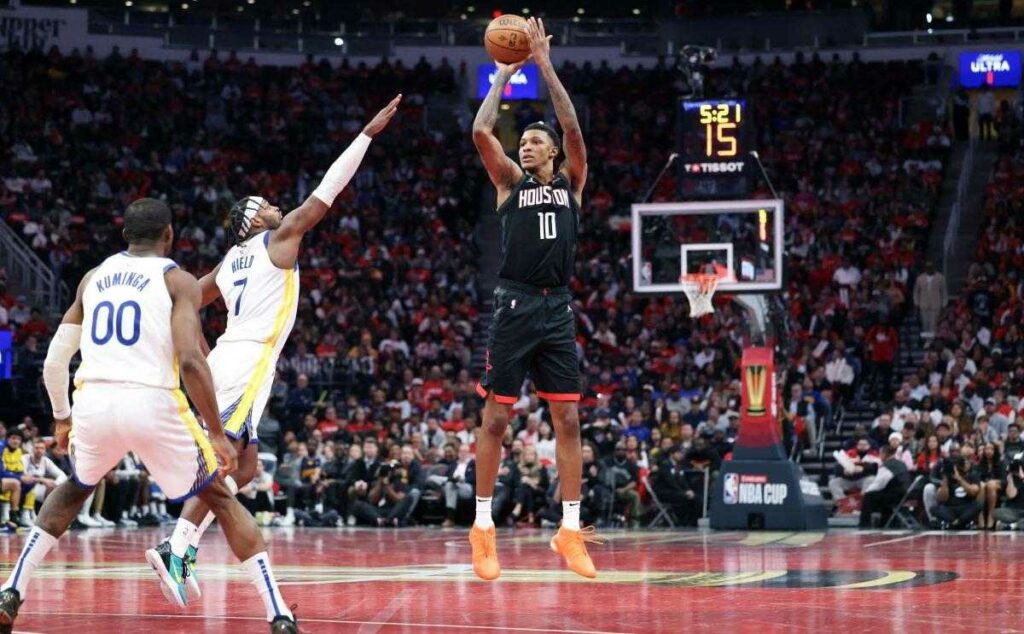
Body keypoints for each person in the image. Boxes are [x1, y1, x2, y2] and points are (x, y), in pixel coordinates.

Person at [0, 199, 297, 632]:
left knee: (72, 490)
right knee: (221, 499)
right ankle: (278, 614)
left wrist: (62, 419)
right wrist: (215, 432)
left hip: (94, 402)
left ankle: (10, 591)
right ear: (169, 235)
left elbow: (53, 362)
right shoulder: (176, 280)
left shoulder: (92, 278)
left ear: (125, 235)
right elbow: (193, 362)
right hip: (152, 403)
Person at [151, 95, 400, 594]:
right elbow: (326, 193)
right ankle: (176, 545)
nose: (273, 204)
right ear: (250, 221)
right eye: (263, 204)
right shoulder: (277, 238)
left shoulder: (228, 261)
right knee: (227, 459)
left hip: (232, 355)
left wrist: (196, 346)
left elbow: (185, 298)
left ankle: (185, 542)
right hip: (247, 360)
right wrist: (366, 135)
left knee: (246, 466)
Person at [469, 17, 597, 581]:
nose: (527, 145)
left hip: (557, 309)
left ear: (553, 152)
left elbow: (571, 126)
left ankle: (569, 531)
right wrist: (501, 76)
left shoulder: (571, 180)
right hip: (515, 305)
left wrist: (543, 65)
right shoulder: (508, 185)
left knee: (567, 419)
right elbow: (480, 132)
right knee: (496, 420)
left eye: (535, 140)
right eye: (523, 140)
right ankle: (482, 528)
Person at [858, 445, 911, 528]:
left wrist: (866, 492)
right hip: (904, 494)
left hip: (895, 496)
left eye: (880, 454)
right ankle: (884, 523)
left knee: (868, 496)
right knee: (881, 496)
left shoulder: (887, 466)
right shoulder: (901, 464)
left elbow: (878, 484)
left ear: (884, 454)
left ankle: (864, 524)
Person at [651, 445, 699, 527]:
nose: (681, 455)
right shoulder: (665, 465)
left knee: (696, 498)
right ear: (672, 454)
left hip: (675, 491)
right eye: (678, 453)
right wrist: (683, 492)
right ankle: (681, 522)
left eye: (681, 453)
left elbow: (682, 481)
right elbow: (670, 482)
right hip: (664, 492)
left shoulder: (679, 465)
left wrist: (688, 490)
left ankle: (691, 522)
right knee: (683, 497)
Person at [933, 452, 982, 529]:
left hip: (966, 507)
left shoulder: (972, 475)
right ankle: (957, 522)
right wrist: (945, 480)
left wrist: (959, 479)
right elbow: (942, 498)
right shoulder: (948, 477)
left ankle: (956, 522)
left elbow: (973, 492)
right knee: (934, 508)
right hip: (950, 508)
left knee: (978, 505)